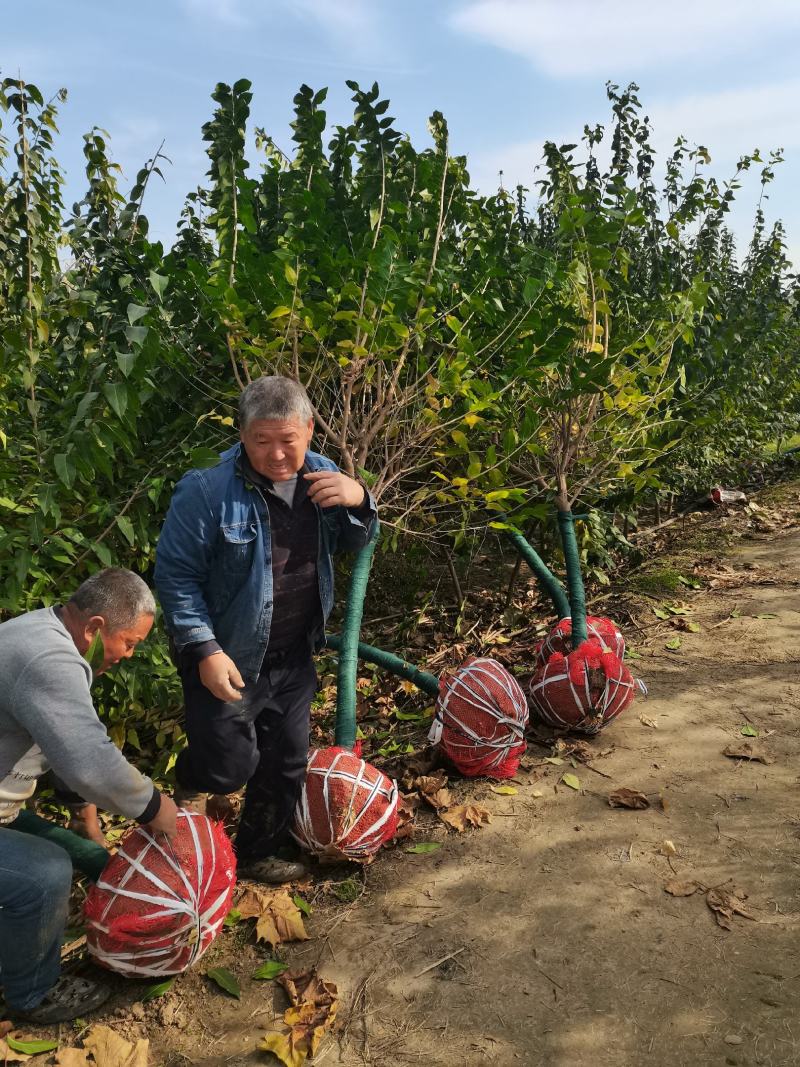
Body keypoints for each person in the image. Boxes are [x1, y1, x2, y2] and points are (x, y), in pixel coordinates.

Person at [155, 375, 377, 883]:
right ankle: (191, 780)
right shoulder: (207, 491)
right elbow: (175, 577)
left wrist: (358, 498)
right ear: (242, 433)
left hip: (294, 653)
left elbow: (357, 538)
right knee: (229, 766)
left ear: (309, 430)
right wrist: (204, 649)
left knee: (284, 763)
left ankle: (256, 854)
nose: (277, 455)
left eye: (288, 441)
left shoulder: (323, 476)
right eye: (262, 441)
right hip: (230, 656)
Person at [0, 568, 179, 1024]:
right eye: (130, 642)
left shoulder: (49, 635)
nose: (128, 654)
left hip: (5, 808)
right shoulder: (47, 659)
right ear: (95, 627)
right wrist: (157, 808)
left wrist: (88, 820)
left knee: (100, 861)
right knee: (45, 874)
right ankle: (31, 995)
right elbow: (88, 761)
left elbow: (58, 747)